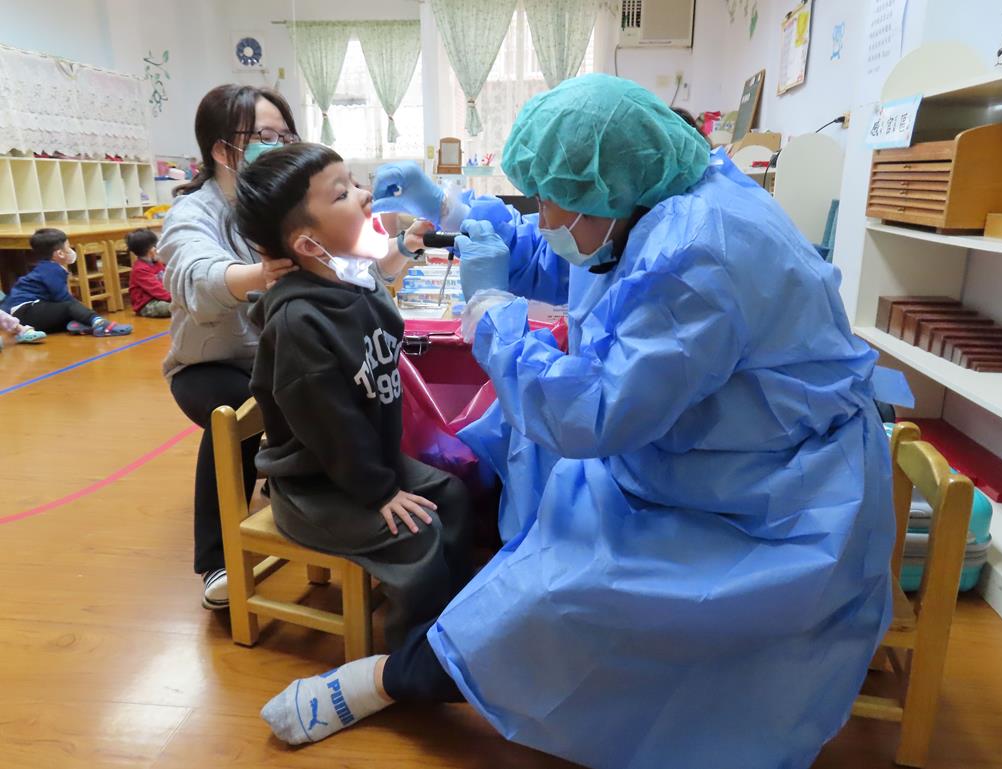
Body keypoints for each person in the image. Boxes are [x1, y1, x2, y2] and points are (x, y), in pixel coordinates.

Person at [262, 74, 903, 769]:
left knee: (552, 591)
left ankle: (402, 675)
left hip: (771, 500)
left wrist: (490, 314)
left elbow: (595, 411)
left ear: (607, 192)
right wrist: (452, 207)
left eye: (548, 199)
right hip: (704, 449)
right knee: (506, 445)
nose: (540, 216)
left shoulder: (698, 256)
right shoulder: (658, 196)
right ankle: (486, 603)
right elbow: (574, 256)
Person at [233, 142, 473, 654]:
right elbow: (333, 431)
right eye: (342, 193)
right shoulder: (299, 324)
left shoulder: (353, 282)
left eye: (355, 183)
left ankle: (452, 616)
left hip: (366, 465)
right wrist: (380, 493)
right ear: (307, 244)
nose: (365, 196)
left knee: (452, 496)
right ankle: (416, 657)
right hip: (316, 487)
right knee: (419, 534)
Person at [160, 84, 301, 609]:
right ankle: (216, 558)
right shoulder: (192, 213)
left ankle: (303, 499)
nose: (277, 145)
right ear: (223, 150)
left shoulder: (284, 204)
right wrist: (261, 274)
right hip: (209, 364)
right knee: (238, 410)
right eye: (264, 136)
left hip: (279, 354)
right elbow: (195, 276)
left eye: (284, 135)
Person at [0, 228, 132, 336]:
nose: (70, 251)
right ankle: (99, 323)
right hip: (26, 312)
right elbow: (64, 299)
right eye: (68, 247)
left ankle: (79, 324)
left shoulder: (46, 268)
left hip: (24, 315)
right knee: (69, 305)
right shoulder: (51, 270)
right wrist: (87, 313)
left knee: (68, 308)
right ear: (60, 254)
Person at [126, 228, 171, 317]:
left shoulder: (157, 263)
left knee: (180, 305)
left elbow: (169, 278)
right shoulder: (140, 269)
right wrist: (176, 299)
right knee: (174, 308)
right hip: (147, 304)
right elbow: (157, 290)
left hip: (161, 297)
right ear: (151, 250)